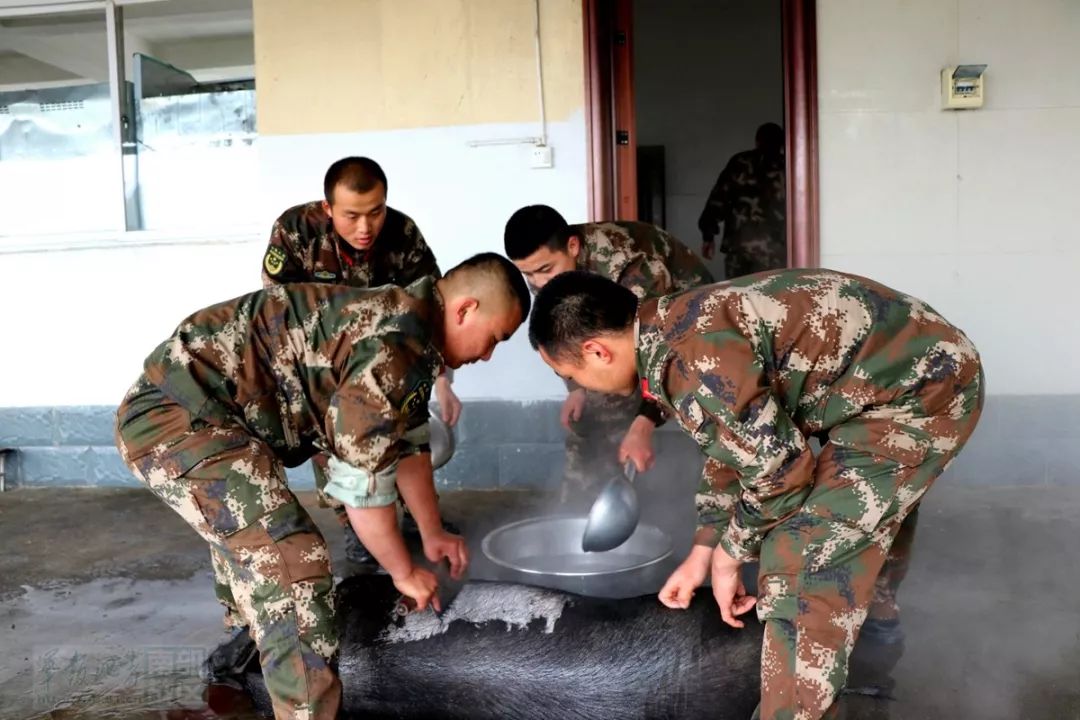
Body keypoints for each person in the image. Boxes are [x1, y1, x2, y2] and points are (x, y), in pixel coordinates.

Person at [527, 269, 983, 719]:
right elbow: (736, 444)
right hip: (912, 373)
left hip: (922, 393)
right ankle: (871, 661)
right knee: (852, 529)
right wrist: (705, 547)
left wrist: (732, 552)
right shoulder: (672, 327)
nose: (582, 388)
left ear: (596, 351)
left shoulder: (689, 361)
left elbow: (781, 471)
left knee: (800, 558)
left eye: (573, 375)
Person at [116, 254, 530, 720]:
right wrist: (401, 571)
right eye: (495, 338)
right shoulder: (393, 344)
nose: (488, 355)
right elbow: (362, 489)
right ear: (465, 309)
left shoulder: (411, 334)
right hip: (177, 419)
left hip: (214, 420)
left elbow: (409, 444)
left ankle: (246, 665)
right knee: (293, 561)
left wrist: (431, 533)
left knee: (263, 542)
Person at [263, 156, 461, 565]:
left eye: (376, 212)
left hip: (390, 363)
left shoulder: (403, 234)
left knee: (407, 432)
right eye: (351, 216)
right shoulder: (295, 231)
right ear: (327, 208)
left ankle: (415, 520)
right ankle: (357, 527)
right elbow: (278, 315)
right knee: (340, 446)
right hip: (319, 366)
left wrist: (443, 379)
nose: (365, 228)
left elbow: (431, 312)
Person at [503, 204, 712, 502]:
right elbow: (561, 332)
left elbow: (661, 344)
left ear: (573, 247)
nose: (538, 282)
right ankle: (582, 510)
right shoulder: (547, 271)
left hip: (697, 332)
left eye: (544, 270)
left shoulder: (631, 263)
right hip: (641, 336)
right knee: (588, 415)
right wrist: (576, 386)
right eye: (528, 274)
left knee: (707, 417)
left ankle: (701, 514)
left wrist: (645, 422)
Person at [698, 122, 787, 278]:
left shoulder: (739, 162)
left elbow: (718, 200)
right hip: (774, 250)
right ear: (782, 142)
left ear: (757, 141)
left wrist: (708, 236)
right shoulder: (789, 165)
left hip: (739, 247)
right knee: (769, 299)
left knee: (738, 297)